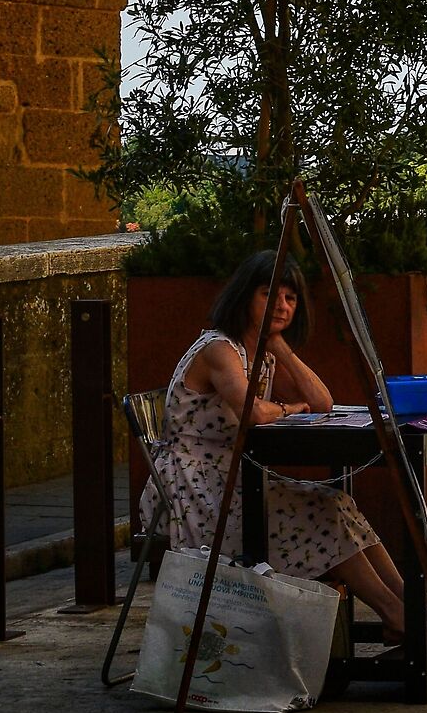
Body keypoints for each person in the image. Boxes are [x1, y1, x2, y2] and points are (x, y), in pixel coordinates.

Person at [145, 250, 408, 640]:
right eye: (269, 295)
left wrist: (282, 349)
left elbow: (322, 402)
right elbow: (252, 410)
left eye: (290, 298)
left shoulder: (263, 355)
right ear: (244, 297)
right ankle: (396, 615)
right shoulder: (220, 348)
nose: (282, 306)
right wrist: (287, 408)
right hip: (192, 490)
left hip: (234, 478)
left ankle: (412, 604)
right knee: (323, 518)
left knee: (339, 503)